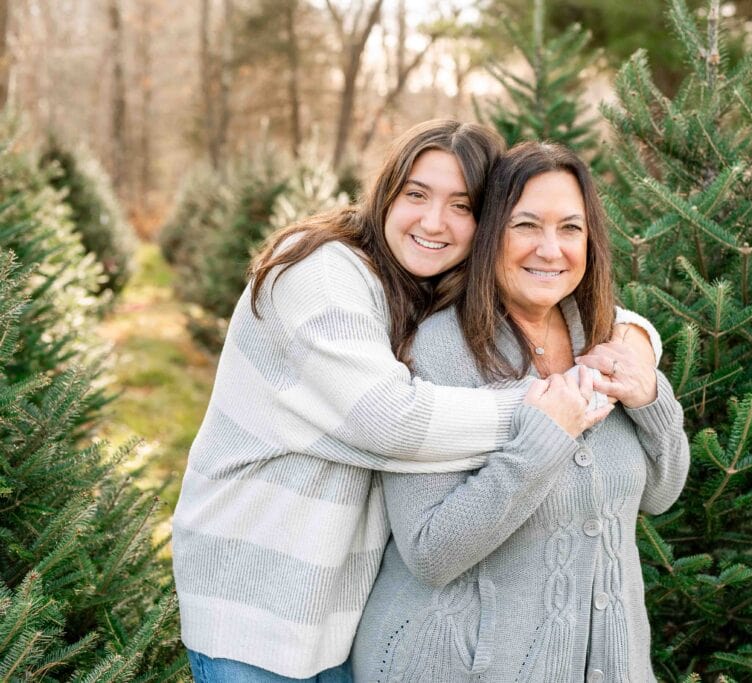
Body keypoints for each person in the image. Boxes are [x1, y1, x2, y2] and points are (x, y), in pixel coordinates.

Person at [172, 121, 659, 682]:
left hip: (340, 611)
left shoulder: (423, 279)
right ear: (387, 191)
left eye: (462, 205)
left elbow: (579, 302)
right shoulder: (322, 273)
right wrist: (545, 407)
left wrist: (636, 339)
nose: (434, 222)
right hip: (258, 604)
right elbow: (389, 420)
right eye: (417, 195)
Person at [351, 141, 689, 682]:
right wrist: (542, 443)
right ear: (490, 236)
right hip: (454, 665)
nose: (550, 250)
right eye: (526, 225)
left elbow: (660, 493)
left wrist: (651, 398)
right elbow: (431, 553)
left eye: (570, 228)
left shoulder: (603, 335)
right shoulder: (439, 350)